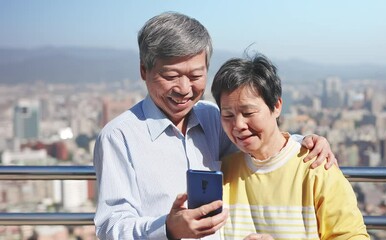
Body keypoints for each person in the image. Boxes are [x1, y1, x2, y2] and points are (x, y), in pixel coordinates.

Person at [93, 12, 337, 240]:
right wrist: (167, 228)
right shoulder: (119, 136)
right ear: (144, 71)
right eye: (170, 76)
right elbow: (110, 226)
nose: (184, 89)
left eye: (196, 76)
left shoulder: (212, 117)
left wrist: (304, 142)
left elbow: (254, 142)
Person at [211, 53, 369, 239]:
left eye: (248, 112)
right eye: (228, 115)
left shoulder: (316, 166)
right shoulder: (223, 173)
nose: (238, 125)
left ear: (276, 106)